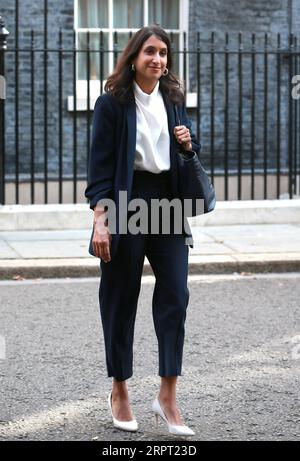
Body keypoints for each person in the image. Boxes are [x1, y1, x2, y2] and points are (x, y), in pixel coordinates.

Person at [85, 25, 201, 436]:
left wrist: (188, 146)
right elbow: (99, 168)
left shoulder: (172, 99)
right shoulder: (111, 103)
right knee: (120, 297)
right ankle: (120, 390)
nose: (158, 59)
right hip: (127, 202)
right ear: (134, 56)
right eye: (150, 51)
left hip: (168, 203)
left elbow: (184, 154)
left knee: (176, 294)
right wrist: (101, 219)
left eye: (164, 53)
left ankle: (167, 397)